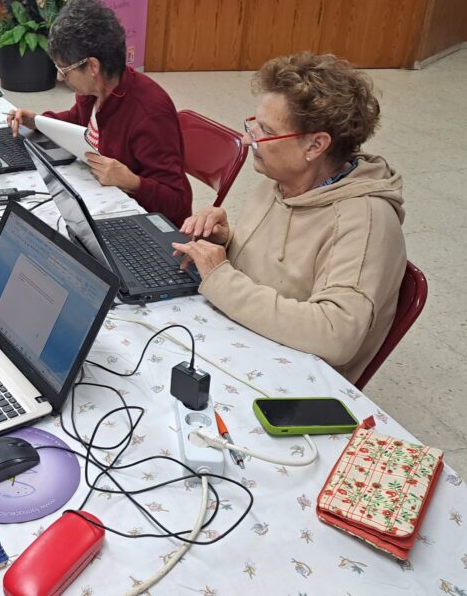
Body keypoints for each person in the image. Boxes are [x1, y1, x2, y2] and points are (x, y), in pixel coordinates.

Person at [171, 52, 406, 384]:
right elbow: (286, 268)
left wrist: (221, 277)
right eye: (253, 124)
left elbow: (334, 334)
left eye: (265, 130)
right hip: (244, 336)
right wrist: (228, 239)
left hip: (291, 380)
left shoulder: (364, 221)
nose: (248, 138)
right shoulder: (283, 180)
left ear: (315, 145)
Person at [6, 0, 192, 227]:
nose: (60, 77)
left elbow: (178, 202)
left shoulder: (149, 114)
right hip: (107, 203)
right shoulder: (92, 92)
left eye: (64, 69)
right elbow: (77, 122)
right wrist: (37, 121)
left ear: (92, 67)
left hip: (146, 224)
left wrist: (133, 182)